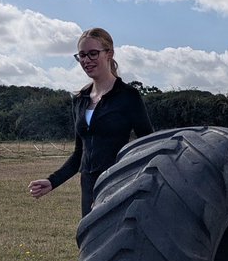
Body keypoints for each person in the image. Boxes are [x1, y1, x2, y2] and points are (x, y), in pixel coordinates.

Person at [28, 27, 153, 217]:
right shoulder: (80, 99)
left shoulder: (128, 96)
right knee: (89, 243)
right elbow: (80, 154)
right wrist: (52, 181)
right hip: (88, 188)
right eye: (82, 55)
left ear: (109, 53)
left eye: (93, 54)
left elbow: (148, 145)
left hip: (117, 186)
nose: (86, 60)